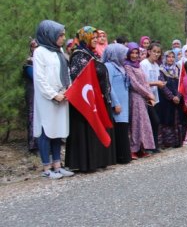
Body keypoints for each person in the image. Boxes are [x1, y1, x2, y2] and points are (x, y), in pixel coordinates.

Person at [66, 26, 117, 173]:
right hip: (87, 102)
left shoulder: (91, 54)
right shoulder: (79, 56)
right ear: (85, 38)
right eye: (92, 38)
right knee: (88, 131)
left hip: (98, 99)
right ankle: (87, 162)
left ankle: (100, 160)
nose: (95, 40)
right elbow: (78, 79)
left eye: (96, 38)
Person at [32, 20, 73, 179]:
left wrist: (67, 90)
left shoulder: (59, 51)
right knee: (46, 131)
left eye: (63, 35)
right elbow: (40, 79)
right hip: (47, 99)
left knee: (58, 131)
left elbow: (66, 73)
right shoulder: (40, 52)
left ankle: (57, 165)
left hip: (62, 95)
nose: (63, 38)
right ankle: (46, 167)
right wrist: (53, 94)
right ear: (49, 35)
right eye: (60, 35)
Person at [123, 43, 156, 159]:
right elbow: (134, 84)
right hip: (135, 97)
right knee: (136, 122)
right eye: (132, 52)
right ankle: (133, 148)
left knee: (143, 122)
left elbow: (144, 81)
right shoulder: (127, 66)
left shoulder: (138, 65)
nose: (134, 55)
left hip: (142, 97)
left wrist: (149, 94)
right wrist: (147, 93)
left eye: (136, 53)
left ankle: (142, 147)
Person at [104, 43, 132, 164]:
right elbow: (108, 86)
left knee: (123, 128)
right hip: (118, 104)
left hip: (125, 103)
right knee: (119, 129)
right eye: (122, 54)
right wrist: (115, 103)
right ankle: (120, 156)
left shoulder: (121, 66)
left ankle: (125, 155)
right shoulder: (109, 66)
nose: (125, 56)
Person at [158, 50, 184, 148]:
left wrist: (178, 96)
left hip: (177, 99)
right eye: (168, 57)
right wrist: (172, 97)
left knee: (177, 119)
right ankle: (166, 143)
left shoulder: (178, 69)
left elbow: (181, 83)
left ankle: (177, 141)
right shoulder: (161, 70)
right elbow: (162, 86)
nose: (171, 59)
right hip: (166, 100)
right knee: (166, 119)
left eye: (173, 57)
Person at [140, 42, 164, 153]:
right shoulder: (144, 64)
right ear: (149, 51)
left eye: (158, 52)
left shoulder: (156, 65)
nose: (156, 54)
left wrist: (160, 83)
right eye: (154, 51)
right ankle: (148, 146)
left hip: (155, 97)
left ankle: (154, 145)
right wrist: (156, 83)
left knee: (155, 122)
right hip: (146, 97)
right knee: (154, 121)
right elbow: (143, 82)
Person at [23, 38, 39, 153]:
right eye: (33, 46)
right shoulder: (28, 61)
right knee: (32, 116)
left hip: (43, 91)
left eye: (37, 46)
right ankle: (33, 144)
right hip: (32, 90)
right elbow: (33, 76)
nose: (35, 48)